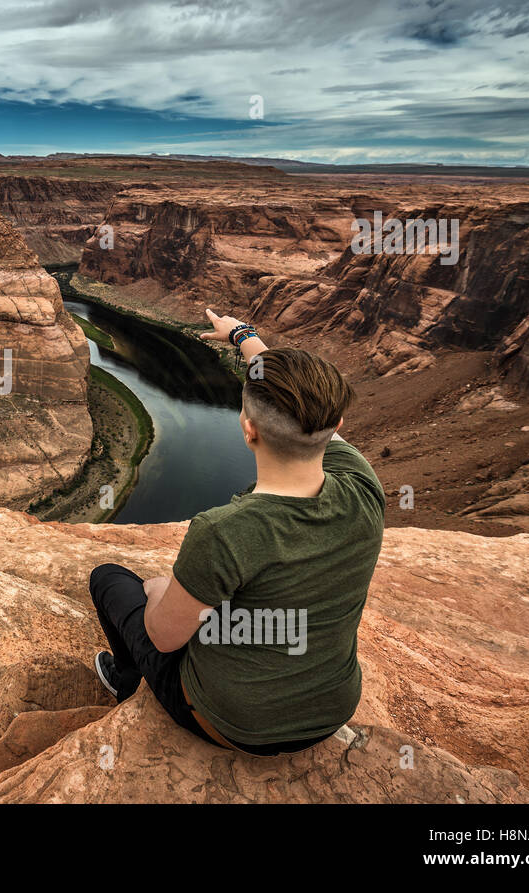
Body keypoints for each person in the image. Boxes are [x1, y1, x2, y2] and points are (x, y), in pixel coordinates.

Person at [90, 309, 385, 756]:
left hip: (234, 723)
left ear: (248, 431)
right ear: (337, 425)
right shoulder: (363, 486)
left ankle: (127, 681)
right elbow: (305, 402)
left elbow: (165, 638)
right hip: (330, 712)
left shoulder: (222, 532)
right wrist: (245, 337)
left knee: (110, 580)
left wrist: (159, 590)